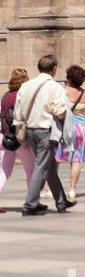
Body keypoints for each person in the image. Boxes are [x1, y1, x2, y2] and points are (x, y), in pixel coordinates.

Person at [15, 54, 76, 216]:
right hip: (45, 131)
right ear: (54, 69)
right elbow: (60, 113)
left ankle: (61, 200)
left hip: (29, 129)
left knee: (47, 167)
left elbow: (18, 111)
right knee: (42, 167)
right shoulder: (55, 87)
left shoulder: (26, 85)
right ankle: (30, 204)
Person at [0, 68, 36, 213]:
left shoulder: (6, 96)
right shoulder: (23, 96)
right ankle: (32, 201)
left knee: (4, 171)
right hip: (20, 138)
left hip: (4, 137)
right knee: (31, 171)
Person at [55, 64, 85, 201]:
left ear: (69, 78)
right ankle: (72, 189)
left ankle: (51, 189)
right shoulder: (84, 94)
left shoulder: (63, 91)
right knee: (76, 159)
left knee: (56, 158)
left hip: (65, 128)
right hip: (81, 129)